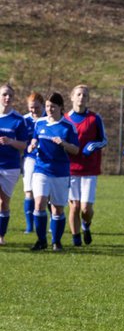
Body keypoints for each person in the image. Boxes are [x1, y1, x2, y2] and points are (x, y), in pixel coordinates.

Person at [28, 91, 81, 251]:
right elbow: (35, 138)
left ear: (61, 108)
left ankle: (56, 241)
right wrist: (32, 145)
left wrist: (64, 143)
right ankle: (41, 240)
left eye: (53, 106)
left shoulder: (68, 126)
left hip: (60, 172)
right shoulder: (40, 123)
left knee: (58, 208)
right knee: (39, 203)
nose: (49, 109)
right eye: (47, 106)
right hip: (41, 169)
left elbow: (76, 150)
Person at [66, 83, 107, 246]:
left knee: (85, 209)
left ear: (88, 98)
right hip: (70, 169)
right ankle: (76, 238)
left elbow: (103, 140)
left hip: (90, 170)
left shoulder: (94, 118)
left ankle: (86, 225)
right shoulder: (65, 119)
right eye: (78, 94)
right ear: (72, 97)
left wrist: (93, 146)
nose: (81, 97)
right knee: (74, 207)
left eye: (84, 95)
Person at [0, 83, 34, 245]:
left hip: (10, 166)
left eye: (10, 96)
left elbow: (24, 145)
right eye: (4, 94)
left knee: (3, 202)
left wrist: (10, 141)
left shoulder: (18, 120)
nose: (7, 98)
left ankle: (1, 236)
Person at [22, 92, 44, 235]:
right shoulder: (24, 120)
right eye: (31, 107)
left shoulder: (48, 119)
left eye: (36, 107)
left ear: (42, 105)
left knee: (44, 193)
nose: (34, 110)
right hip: (29, 159)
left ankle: (46, 223)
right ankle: (30, 226)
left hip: (45, 159)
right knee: (29, 191)